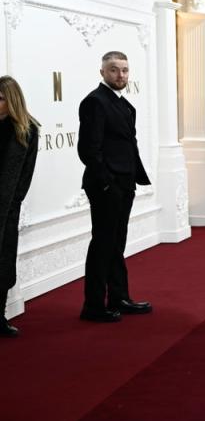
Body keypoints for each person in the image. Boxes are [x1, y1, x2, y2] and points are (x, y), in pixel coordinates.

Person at [77, 51, 152, 323]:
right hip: (106, 186)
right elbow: (88, 149)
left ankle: (118, 296)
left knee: (116, 243)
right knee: (103, 244)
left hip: (124, 182)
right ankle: (94, 305)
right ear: (102, 72)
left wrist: (128, 181)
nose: (120, 75)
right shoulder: (95, 102)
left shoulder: (123, 104)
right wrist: (108, 185)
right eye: (113, 70)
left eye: (124, 70)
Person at [0, 76, 39, 337]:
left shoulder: (27, 130)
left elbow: (26, 173)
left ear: (11, 100)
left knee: (3, 264)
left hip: (6, 209)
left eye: (1, 97)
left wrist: (13, 204)